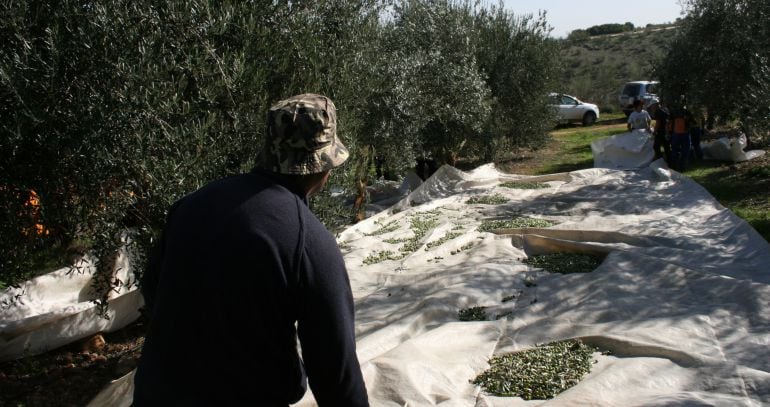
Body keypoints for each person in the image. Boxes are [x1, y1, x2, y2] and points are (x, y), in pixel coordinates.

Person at [134, 94, 369, 406]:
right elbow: (336, 371)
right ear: (325, 166)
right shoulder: (308, 240)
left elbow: (152, 290)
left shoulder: (192, 204)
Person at [667, 101, 694, 172]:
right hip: (684, 133)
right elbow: (692, 122)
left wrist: (669, 133)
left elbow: (669, 123)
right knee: (685, 151)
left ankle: (674, 166)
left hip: (676, 134)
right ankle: (682, 167)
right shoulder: (687, 112)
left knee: (674, 150)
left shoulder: (673, 112)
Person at [648, 99, 671, 164]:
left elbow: (658, 123)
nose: (651, 107)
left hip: (661, 132)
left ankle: (661, 161)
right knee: (667, 148)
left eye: (652, 106)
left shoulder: (657, 112)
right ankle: (670, 162)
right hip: (666, 131)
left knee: (656, 146)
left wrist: (654, 131)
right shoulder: (664, 110)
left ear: (655, 105)